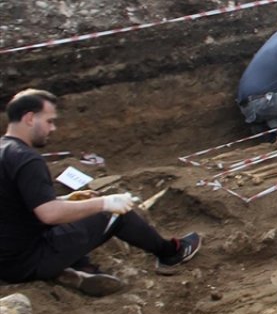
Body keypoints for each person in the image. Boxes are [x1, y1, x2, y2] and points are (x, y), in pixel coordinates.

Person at [0, 89, 201, 297]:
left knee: (79, 213)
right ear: (30, 118)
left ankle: (81, 269)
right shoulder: (27, 160)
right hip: (27, 261)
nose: (53, 128)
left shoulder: (4, 152)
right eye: (49, 121)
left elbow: (16, 204)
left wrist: (66, 200)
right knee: (114, 215)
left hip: (7, 260)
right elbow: (49, 214)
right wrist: (105, 203)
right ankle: (171, 253)